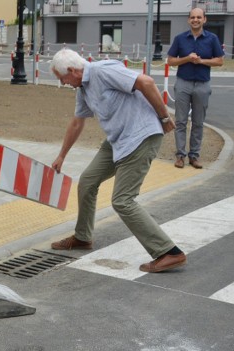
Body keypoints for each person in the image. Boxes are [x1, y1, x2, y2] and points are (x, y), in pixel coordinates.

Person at [49, 49, 187, 273]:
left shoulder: (102, 71)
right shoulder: (82, 89)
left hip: (141, 136)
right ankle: (83, 237)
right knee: (87, 181)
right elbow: (77, 123)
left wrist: (163, 117)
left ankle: (168, 252)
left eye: (62, 78)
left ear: (73, 71)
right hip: (117, 141)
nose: (63, 83)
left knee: (123, 200)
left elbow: (146, 82)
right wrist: (62, 155)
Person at [167, 7, 224, 169]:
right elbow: (171, 61)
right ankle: (180, 156)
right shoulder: (180, 39)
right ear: (188, 20)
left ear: (204, 20)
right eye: (193, 17)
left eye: (199, 17)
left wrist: (201, 61)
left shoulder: (212, 39)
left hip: (202, 84)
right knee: (181, 122)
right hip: (183, 83)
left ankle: (194, 156)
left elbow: (219, 61)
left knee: (198, 122)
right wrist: (186, 58)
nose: (196, 20)